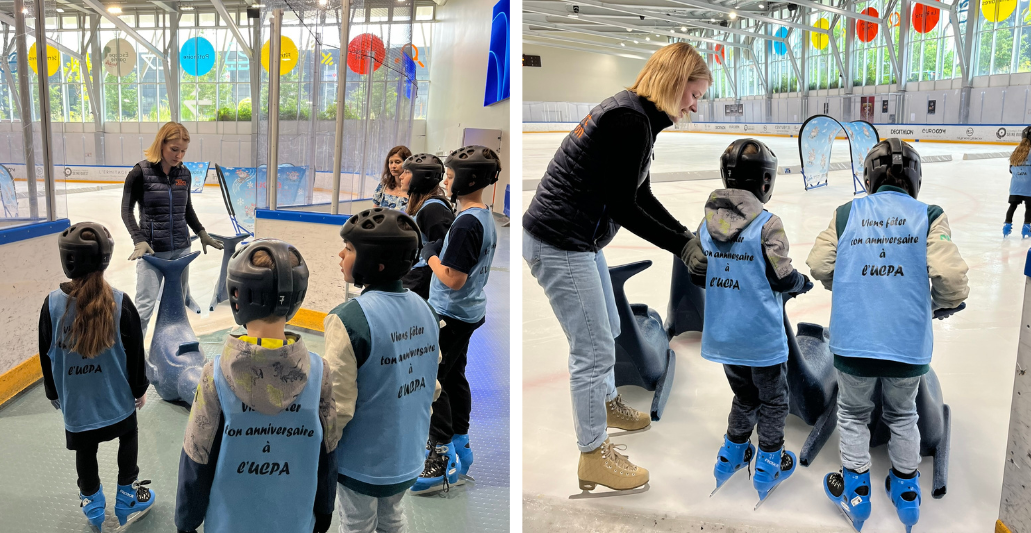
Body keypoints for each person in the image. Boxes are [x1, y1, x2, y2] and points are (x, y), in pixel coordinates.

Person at [521, 42, 710, 491]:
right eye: (694, 94)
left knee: (606, 327)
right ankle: (593, 456)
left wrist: (683, 237)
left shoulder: (637, 116)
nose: (695, 106)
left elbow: (638, 194)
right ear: (674, 81)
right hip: (560, 241)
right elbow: (624, 206)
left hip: (578, 239)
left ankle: (606, 402)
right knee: (592, 350)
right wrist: (680, 247)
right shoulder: (630, 121)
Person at [807, 139, 969, 532]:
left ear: (869, 178)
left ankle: (857, 493)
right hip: (906, 346)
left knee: (852, 414)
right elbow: (950, 277)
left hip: (852, 343)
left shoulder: (847, 213)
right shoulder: (929, 215)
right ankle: (907, 494)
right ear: (915, 179)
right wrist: (941, 304)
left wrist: (843, 285)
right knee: (902, 414)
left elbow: (818, 263)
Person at [174, 239, 338, 533]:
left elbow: (197, 457)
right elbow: (328, 454)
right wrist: (324, 512)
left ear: (237, 295)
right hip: (295, 522)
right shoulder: (319, 372)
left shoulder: (216, 375)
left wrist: (186, 521)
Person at [690, 139, 812, 505]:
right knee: (774, 401)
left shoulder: (706, 224)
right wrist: (802, 283)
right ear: (764, 182)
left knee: (744, 395)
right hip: (760, 339)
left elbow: (699, 274)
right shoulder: (767, 223)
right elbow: (781, 276)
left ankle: (730, 455)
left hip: (724, 337)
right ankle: (769, 462)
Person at [324, 208, 440, 531]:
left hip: (363, 464)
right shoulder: (427, 310)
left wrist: (321, 450)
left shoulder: (348, 320)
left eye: (348, 249)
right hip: (408, 456)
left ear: (373, 261)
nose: (340, 254)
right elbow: (431, 385)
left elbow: (338, 407)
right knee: (392, 518)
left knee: (357, 523)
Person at [39, 221, 154, 531]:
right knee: (128, 434)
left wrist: (54, 395)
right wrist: (140, 388)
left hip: (77, 407)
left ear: (68, 260)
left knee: (85, 450)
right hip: (117, 402)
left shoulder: (51, 305)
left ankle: (93, 504)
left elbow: (45, 356)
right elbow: (135, 355)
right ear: (105, 258)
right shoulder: (120, 302)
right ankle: (128, 492)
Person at [411, 146, 501, 494]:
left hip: (451, 311)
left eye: (449, 176)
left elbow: (453, 278)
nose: (445, 181)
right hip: (467, 312)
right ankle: (461, 443)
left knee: (435, 381)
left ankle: (440, 454)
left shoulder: (465, 224)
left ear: (469, 179)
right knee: (454, 375)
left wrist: (430, 254)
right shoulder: (482, 215)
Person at [120, 122, 223, 337]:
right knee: (144, 309)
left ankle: (171, 347)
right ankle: (134, 360)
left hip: (180, 252)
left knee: (177, 306)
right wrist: (138, 239)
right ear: (161, 144)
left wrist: (201, 232)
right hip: (152, 254)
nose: (179, 155)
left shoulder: (184, 174)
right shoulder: (139, 173)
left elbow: (187, 209)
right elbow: (126, 211)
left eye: (183, 150)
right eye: (174, 149)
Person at [401, 153, 455, 299]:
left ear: (419, 177)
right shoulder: (422, 205)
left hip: (421, 284)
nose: (401, 176)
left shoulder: (434, 210)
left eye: (406, 172)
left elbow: (443, 255)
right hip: (414, 275)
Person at [1003, 126, 1031, 238]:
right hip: (1029, 186)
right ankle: (1026, 228)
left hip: (1016, 186)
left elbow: (1011, 169)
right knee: (1029, 208)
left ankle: (1006, 226)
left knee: (1012, 206)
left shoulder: (1016, 151)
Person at [372, 146, 413, 210]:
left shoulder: (415, 190)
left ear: (407, 164)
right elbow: (374, 211)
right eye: (391, 162)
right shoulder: (383, 185)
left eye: (397, 162)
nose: (393, 166)